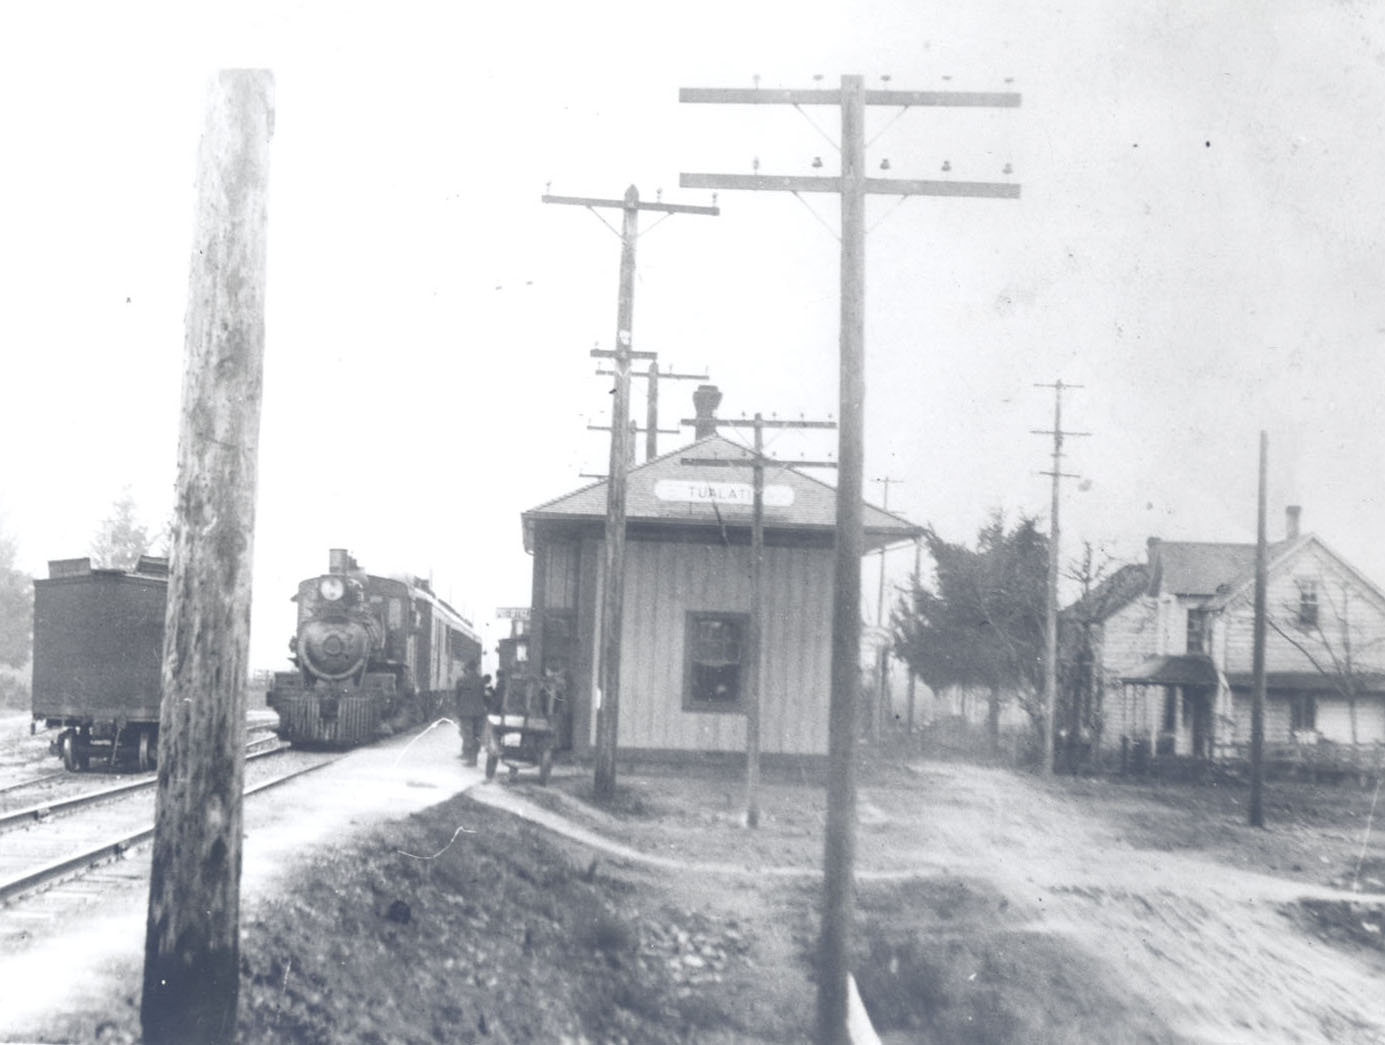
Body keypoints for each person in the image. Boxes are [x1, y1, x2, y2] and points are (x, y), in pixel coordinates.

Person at [454, 660, 486, 766]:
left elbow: (457, 696)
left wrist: (458, 708)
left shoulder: (461, 679)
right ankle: (473, 758)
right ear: (476, 668)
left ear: (467, 668)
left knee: (467, 734)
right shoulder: (481, 680)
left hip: (465, 712)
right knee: (476, 735)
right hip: (478, 712)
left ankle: (469, 758)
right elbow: (483, 695)